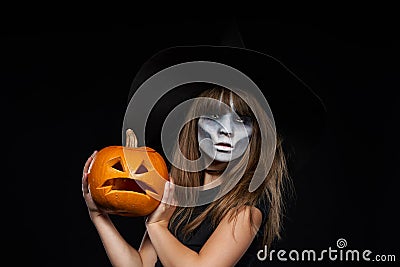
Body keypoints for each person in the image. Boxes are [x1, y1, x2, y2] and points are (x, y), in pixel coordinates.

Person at [82, 85, 291, 266]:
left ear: (255, 134)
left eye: (241, 120)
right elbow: (141, 264)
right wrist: (99, 215)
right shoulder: (177, 196)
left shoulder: (246, 210)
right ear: (194, 125)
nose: (226, 130)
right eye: (214, 117)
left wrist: (157, 225)